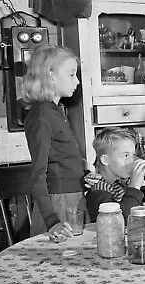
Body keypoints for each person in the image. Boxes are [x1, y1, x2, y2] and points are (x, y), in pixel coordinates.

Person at [24, 44, 90, 241]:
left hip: (73, 196)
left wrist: (84, 171)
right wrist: (52, 221)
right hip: (59, 203)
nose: (77, 81)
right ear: (51, 75)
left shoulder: (55, 110)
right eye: (71, 74)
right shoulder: (42, 115)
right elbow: (37, 175)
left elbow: (60, 158)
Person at [86, 127, 145, 223]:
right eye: (125, 156)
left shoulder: (120, 181)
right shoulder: (99, 190)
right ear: (105, 160)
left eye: (133, 155)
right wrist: (134, 188)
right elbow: (120, 221)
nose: (132, 161)